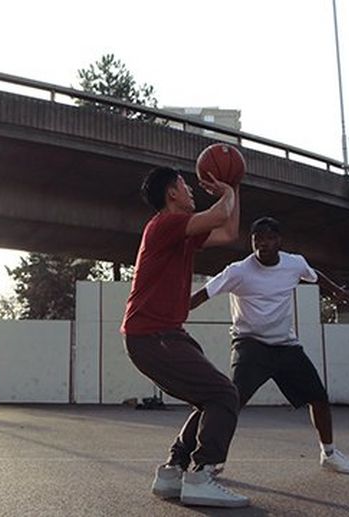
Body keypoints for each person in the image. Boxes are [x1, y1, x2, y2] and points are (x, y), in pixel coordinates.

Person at [177, 216, 349, 476]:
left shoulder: (294, 263)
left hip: (285, 346)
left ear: (279, 241)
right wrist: (172, 314)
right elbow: (203, 294)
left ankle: (329, 454)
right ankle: (195, 460)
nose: (262, 244)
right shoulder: (238, 270)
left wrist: (334, 290)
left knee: (319, 398)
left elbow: (313, 275)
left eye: (268, 238)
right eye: (257, 239)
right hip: (250, 345)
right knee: (226, 400)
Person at [121, 166, 249, 508]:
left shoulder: (181, 232)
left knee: (210, 399)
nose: (191, 189)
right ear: (171, 194)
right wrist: (227, 192)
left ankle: (173, 471)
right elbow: (220, 213)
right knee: (224, 395)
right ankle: (202, 474)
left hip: (163, 335)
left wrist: (232, 188)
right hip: (153, 336)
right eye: (185, 185)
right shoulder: (165, 224)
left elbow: (229, 232)